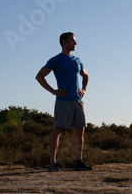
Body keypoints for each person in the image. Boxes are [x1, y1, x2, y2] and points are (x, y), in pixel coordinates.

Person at [35, 32, 92, 172]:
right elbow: (39, 76)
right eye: (73, 41)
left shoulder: (78, 60)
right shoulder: (56, 60)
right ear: (64, 42)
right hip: (62, 101)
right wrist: (53, 91)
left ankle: (78, 162)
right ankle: (52, 163)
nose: (76, 43)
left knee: (80, 130)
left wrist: (84, 89)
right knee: (57, 130)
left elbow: (85, 75)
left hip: (77, 101)